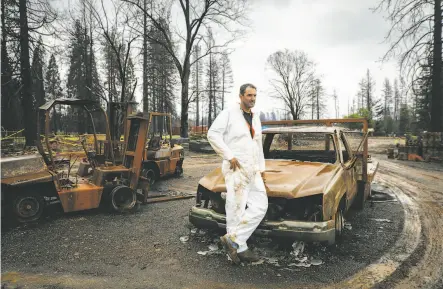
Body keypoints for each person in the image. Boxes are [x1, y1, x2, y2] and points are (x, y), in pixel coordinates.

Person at [207, 83, 268, 264]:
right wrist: (229, 155)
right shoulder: (229, 114)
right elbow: (213, 134)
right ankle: (239, 250)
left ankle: (234, 239)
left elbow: (258, 144)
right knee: (236, 209)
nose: (253, 99)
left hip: (253, 169)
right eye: (249, 95)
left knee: (260, 205)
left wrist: (261, 168)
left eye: (255, 95)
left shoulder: (255, 117)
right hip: (236, 168)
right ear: (241, 96)